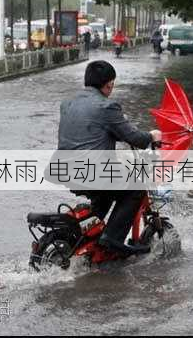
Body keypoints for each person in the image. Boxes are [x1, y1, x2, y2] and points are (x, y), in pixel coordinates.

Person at [56, 60, 162, 255]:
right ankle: (112, 239)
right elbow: (134, 137)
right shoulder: (107, 106)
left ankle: (92, 239)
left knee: (108, 190)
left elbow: (87, 133)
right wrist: (152, 136)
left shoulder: (67, 103)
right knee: (136, 187)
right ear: (109, 84)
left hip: (65, 170)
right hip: (92, 172)